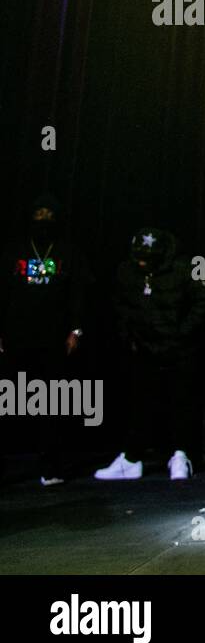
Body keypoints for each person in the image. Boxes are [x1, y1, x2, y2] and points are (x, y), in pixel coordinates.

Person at [94, 227, 205, 481]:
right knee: (139, 403)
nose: (141, 264)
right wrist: (131, 337)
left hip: (180, 347)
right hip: (145, 348)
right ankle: (131, 458)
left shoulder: (190, 265)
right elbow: (120, 306)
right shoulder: (127, 272)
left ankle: (181, 456)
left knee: (182, 402)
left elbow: (204, 302)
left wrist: (182, 334)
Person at [0, 193, 92, 486]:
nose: (42, 219)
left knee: (51, 404)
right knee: (9, 400)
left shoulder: (69, 252)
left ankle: (50, 466)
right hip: (16, 336)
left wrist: (76, 330)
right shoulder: (12, 250)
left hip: (54, 339)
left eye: (48, 214)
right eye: (38, 213)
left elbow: (80, 294)